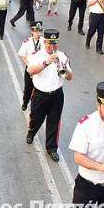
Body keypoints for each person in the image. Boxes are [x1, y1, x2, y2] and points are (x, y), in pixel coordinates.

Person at [26, 29, 73, 162]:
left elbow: (70, 77)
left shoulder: (63, 56)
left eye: (55, 43)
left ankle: (52, 148)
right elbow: (30, 71)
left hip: (57, 95)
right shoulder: (36, 55)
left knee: (54, 122)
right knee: (36, 118)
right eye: (49, 43)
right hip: (40, 94)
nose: (52, 46)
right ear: (44, 42)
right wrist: (46, 62)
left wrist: (63, 68)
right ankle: (31, 132)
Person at [18, 21, 45, 111]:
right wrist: (29, 65)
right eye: (36, 30)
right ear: (31, 31)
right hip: (30, 68)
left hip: (41, 68)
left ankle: (36, 106)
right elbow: (22, 55)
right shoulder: (27, 42)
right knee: (28, 88)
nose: (38, 33)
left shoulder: (45, 41)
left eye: (39, 30)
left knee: (40, 88)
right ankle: (25, 102)